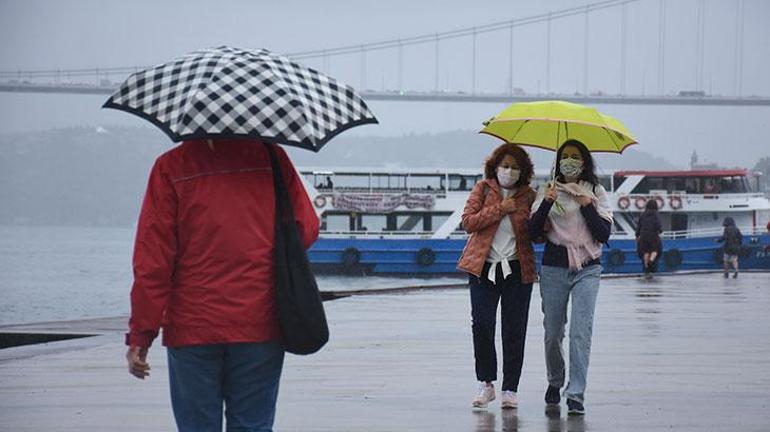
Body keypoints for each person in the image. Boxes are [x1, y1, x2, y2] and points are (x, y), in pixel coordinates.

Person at [125, 138, 319, 431]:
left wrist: (141, 333)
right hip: (260, 321)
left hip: (193, 326)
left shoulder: (171, 166)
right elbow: (305, 228)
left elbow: (153, 262)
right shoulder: (272, 158)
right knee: (252, 426)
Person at [529, 139, 613, 416]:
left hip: (588, 267)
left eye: (575, 157)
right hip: (554, 267)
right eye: (565, 156)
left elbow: (603, 234)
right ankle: (555, 380)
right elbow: (531, 233)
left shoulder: (596, 192)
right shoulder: (547, 190)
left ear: (584, 162)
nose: (569, 161)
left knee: (580, 332)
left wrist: (587, 204)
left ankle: (576, 393)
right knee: (553, 333)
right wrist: (546, 204)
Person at [457, 143, 538, 410]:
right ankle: (486, 383)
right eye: (505, 166)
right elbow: (468, 221)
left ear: (523, 171)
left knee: (514, 329)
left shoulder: (529, 196)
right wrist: (501, 209)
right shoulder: (483, 189)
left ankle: (510, 389)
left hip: (517, 268)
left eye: (515, 167)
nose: (509, 171)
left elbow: (539, 232)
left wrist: (547, 203)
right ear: (495, 167)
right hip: (484, 267)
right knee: (481, 325)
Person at [636, 199, 663, 279]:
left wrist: (637, 235)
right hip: (653, 234)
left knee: (645, 251)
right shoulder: (656, 214)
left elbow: (639, 226)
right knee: (655, 250)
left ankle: (647, 267)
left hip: (643, 235)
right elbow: (658, 224)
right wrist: (660, 230)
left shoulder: (643, 214)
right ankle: (651, 261)